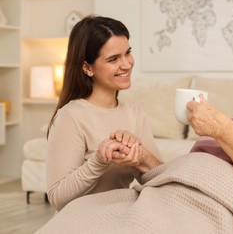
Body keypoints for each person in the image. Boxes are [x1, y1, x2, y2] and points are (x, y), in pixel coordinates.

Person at [37, 19, 233, 233]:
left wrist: (222, 130)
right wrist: (141, 158)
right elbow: (182, 177)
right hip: (162, 198)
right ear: (87, 68)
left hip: (211, 213)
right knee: (80, 218)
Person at [45, 15, 162, 211]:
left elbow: (161, 181)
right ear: (87, 67)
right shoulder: (71, 116)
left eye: (128, 53)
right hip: (83, 222)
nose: (127, 64)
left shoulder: (134, 113)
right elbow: (57, 199)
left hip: (121, 216)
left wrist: (138, 158)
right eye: (113, 59)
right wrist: (99, 160)